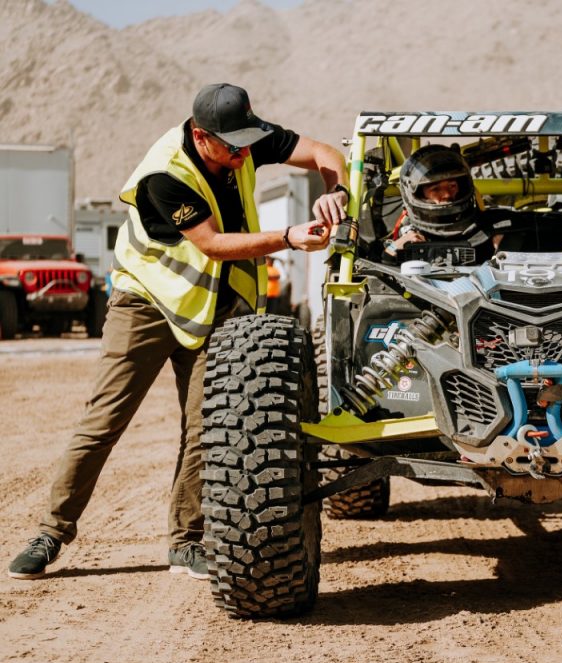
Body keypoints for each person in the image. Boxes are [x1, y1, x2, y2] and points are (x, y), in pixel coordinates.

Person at [8, 83, 347, 580]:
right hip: (144, 304)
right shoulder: (165, 176)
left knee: (207, 428)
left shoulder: (243, 140)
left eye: (248, 142)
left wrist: (333, 191)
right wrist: (289, 237)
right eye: (233, 146)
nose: (244, 153)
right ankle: (50, 531)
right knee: (103, 423)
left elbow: (323, 152)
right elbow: (210, 244)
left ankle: (186, 542)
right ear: (200, 136)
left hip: (211, 309)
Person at [384, 144, 498, 265]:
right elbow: (379, 264)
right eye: (436, 189)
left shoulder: (490, 225)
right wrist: (392, 249)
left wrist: (507, 241)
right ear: (418, 194)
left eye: (452, 186)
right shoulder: (403, 231)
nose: (447, 194)